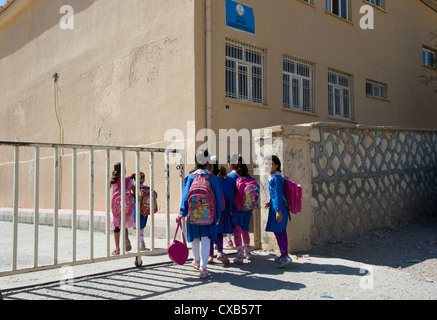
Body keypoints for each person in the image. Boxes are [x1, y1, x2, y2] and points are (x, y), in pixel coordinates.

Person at [177, 150, 223, 278]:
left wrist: (182, 212)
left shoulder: (191, 177)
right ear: (208, 161)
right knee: (206, 238)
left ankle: (196, 261)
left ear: (196, 162)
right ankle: (203, 268)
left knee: (195, 238)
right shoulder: (213, 179)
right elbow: (218, 199)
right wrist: (218, 215)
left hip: (192, 214)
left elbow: (185, 197)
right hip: (209, 215)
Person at [227, 154, 258, 264]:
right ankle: (247, 253)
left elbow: (230, 194)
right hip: (248, 207)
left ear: (231, 164)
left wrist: (230, 208)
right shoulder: (247, 175)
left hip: (237, 208)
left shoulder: (231, 177)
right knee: (245, 230)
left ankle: (239, 255)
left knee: (237, 230)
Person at [264, 155, 292, 268]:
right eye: (266, 164)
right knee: (282, 231)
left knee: (279, 232)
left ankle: (285, 256)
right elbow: (275, 194)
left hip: (279, 209)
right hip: (278, 207)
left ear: (276, 165)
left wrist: (278, 211)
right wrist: (270, 202)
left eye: (270, 164)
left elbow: (279, 195)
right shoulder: (275, 177)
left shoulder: (276, 178)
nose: (268, 166)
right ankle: (284, 254)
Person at [208, 160, 233, 265]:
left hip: (207, 209)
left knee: (209, 233)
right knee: (219, 232)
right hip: (220, 209)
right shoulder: (220, 180)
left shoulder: (206, 179)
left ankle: (210, 255)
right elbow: (228, 193)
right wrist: (230, 208)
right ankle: (219, 252)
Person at [110, 162, 136, 255]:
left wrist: (113, 175)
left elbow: (109, 187)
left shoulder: (113, 181)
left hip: (116, 208)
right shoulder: (129, 181)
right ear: (124, 170)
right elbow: (135, 192)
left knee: (117, 227)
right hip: (127, 207)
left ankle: (117, 248)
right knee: (124, 224)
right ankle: (126, 239)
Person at [131, 172, 157, 251]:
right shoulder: (147, 188)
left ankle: (141, 243)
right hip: (145, 209)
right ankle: (142, 242)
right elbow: (155, 195)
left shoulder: (134, 188)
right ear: (144, 179)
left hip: (136, 209)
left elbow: (131, 197)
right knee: (142, 226)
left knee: (138, 227)